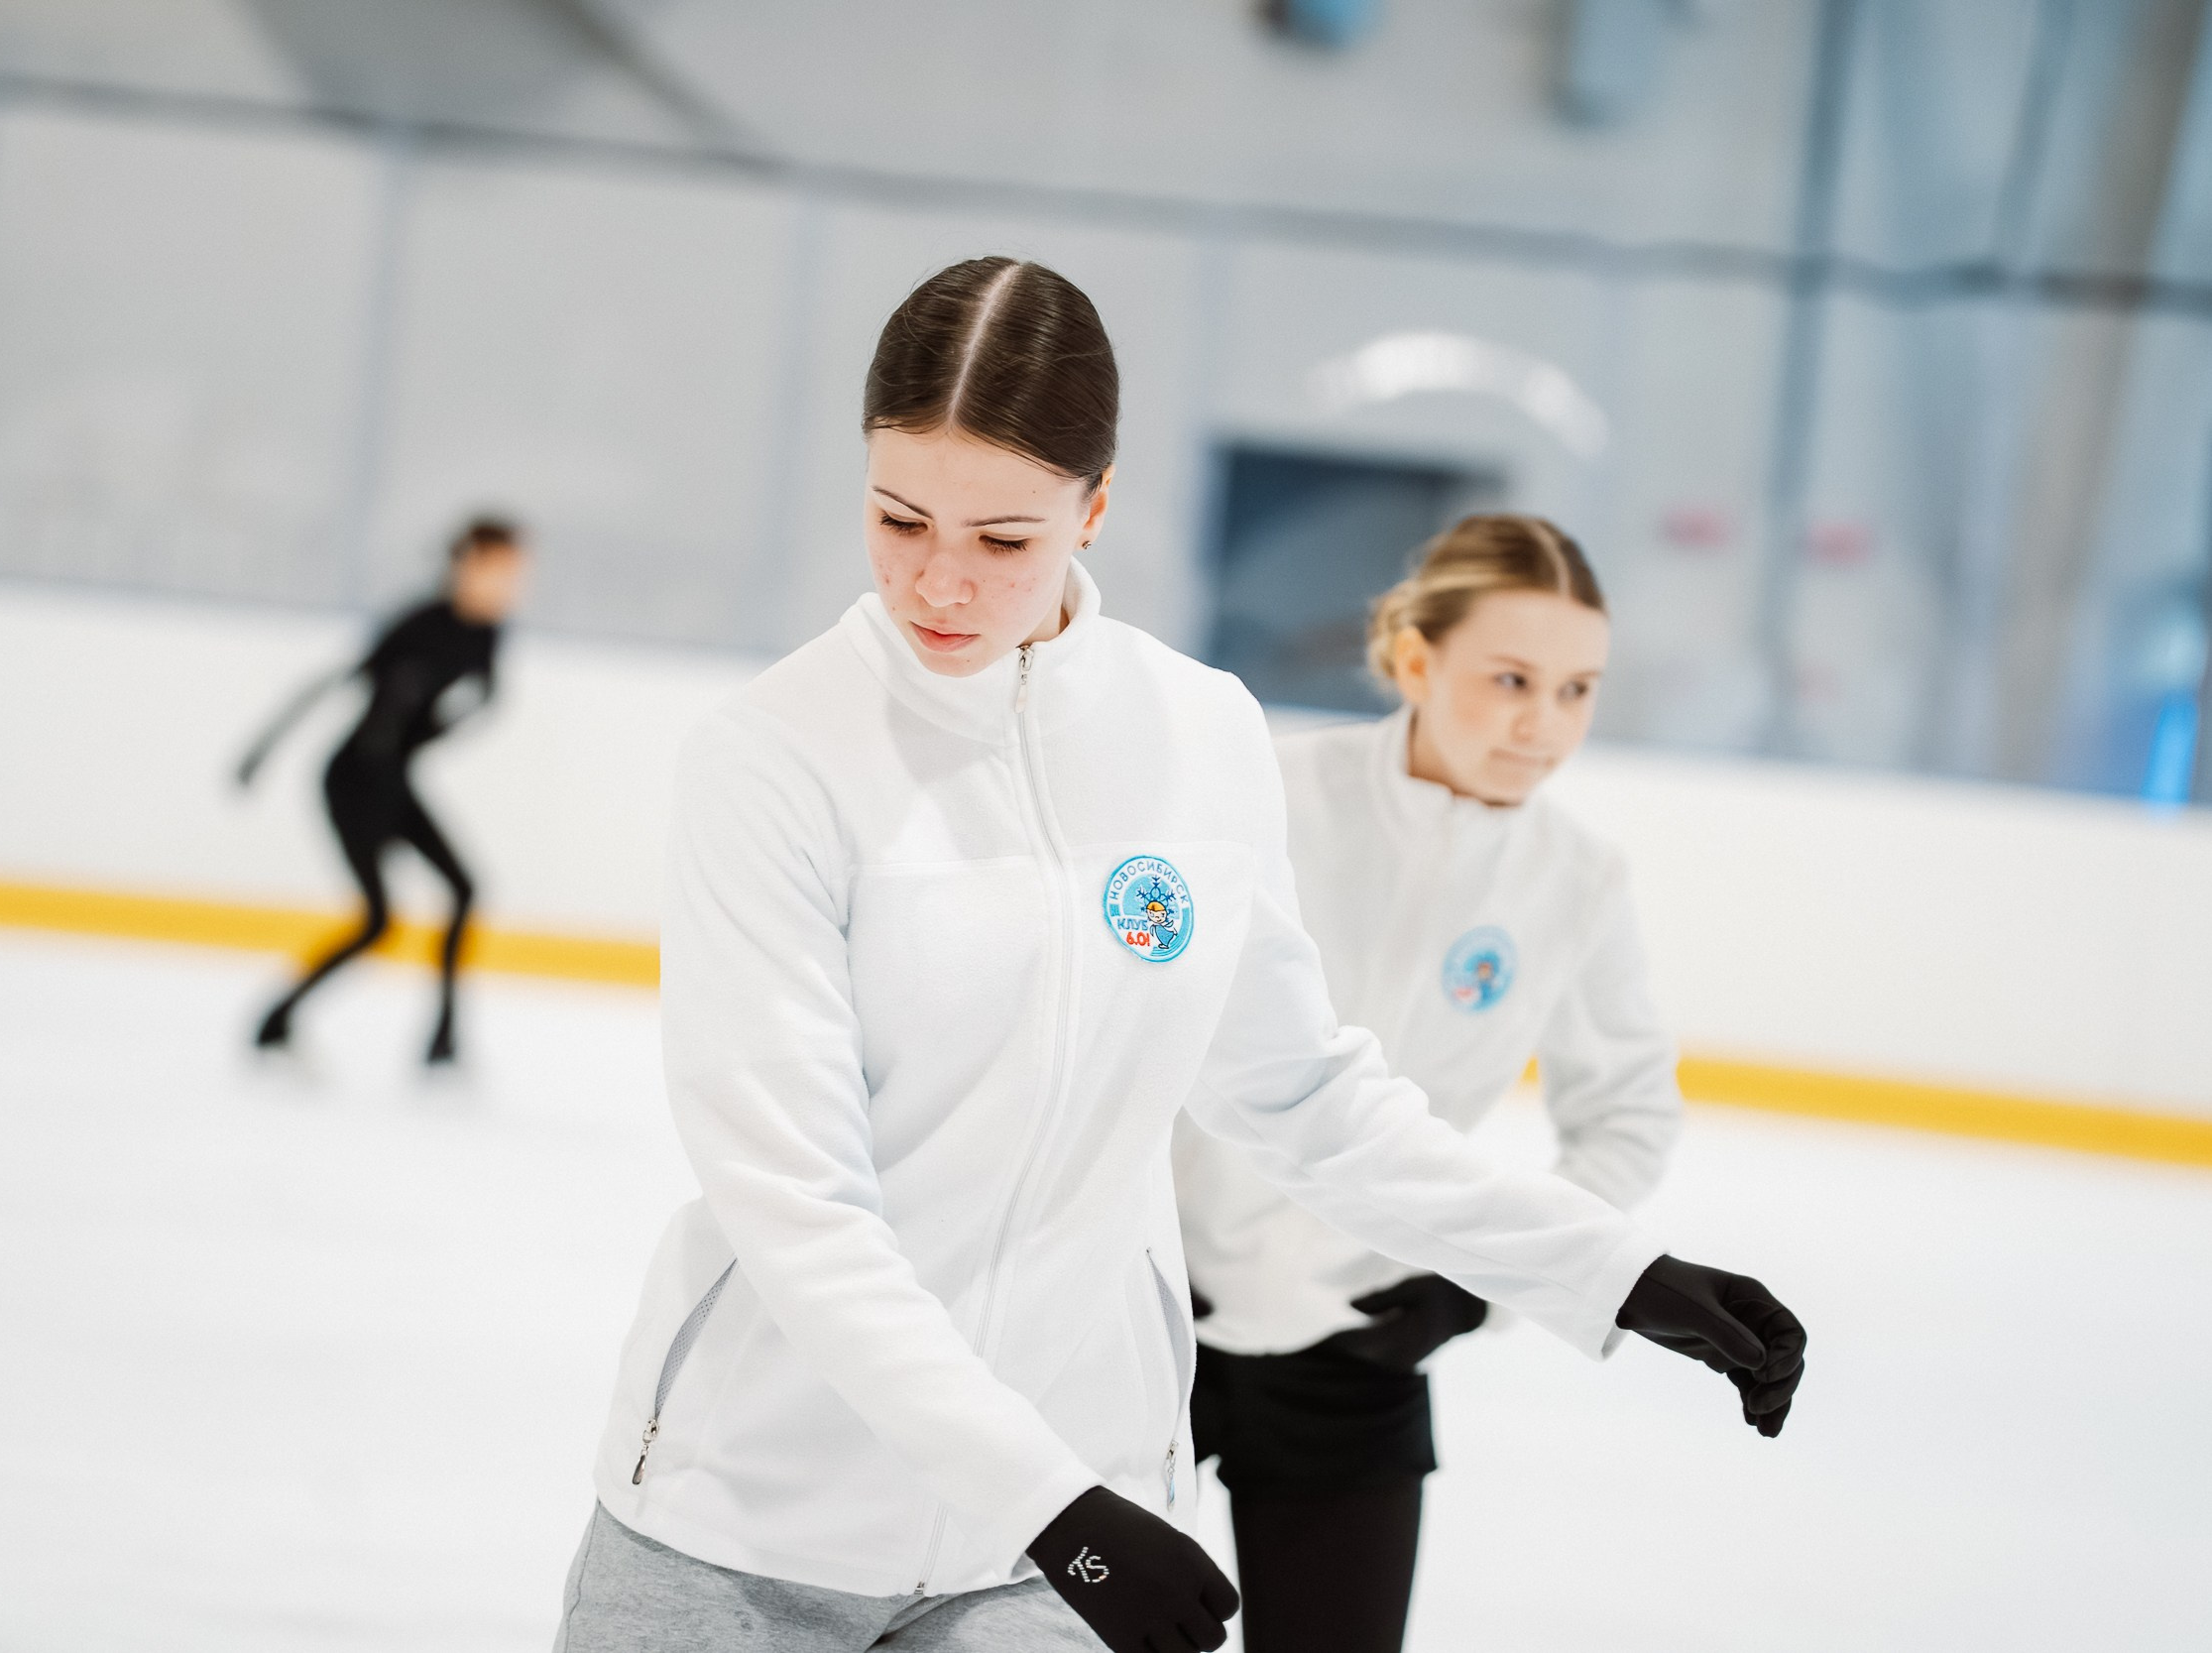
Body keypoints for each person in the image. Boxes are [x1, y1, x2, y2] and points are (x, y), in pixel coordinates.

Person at [556, 259, 1804, 1653]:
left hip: (1052, 1529)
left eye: (1005, 537)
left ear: (1093, 507)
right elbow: (797, 1199)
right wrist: (1054, 1504)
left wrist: (1606, 1267)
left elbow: (1303, 1094)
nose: (940, 579)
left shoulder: (1199, 734)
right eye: (898, 515)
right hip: (753, 1518)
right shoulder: (773, 756)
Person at [1174, 513, 1687, 1652]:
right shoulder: (1269, 793)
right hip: (1147, 1331)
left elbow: (1629, 1115)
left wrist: (1476, 1285)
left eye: (1575, 689)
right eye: (1509, 678)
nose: (1541, 723)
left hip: (1358, 1348)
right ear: (1415, 659)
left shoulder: (1580, 879)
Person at [236, 516, 527, 1066]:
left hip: (396, 781)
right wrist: (260, 753)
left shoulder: (489, 633)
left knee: (464, 891)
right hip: (352, 781)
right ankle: (276, 1020)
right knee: (379, 920)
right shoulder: (419, 624)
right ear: (465, 565)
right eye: (501, 570)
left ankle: (442, 1039)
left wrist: (454, 719)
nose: (512, 585)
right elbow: (333, 682)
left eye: (517, 573)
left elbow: (479, 699)